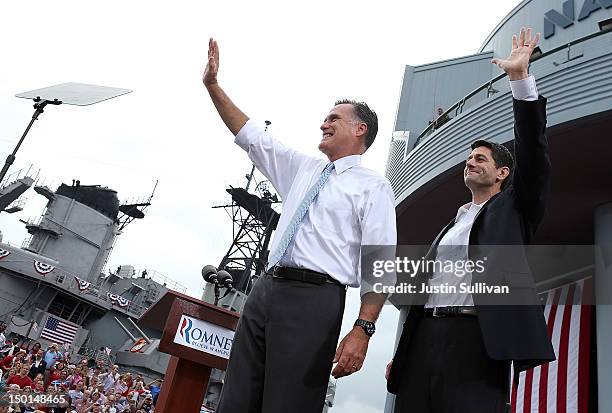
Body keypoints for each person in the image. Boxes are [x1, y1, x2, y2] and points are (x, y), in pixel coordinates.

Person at [203, 38, 396, 413]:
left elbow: (381, 265)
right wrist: (213, 86)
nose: (323, 124)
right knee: (236, 398)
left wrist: (363, 329)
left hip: (315, 300)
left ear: (359, 130)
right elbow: (248, 133)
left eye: (333, 119)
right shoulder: (301, 168)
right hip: (265, 289)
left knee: (288, 403)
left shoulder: (373, 187)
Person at [386, 28, 556, 412]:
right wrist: (407, 351)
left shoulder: (515, 209)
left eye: (482, 158)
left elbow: (533, 153)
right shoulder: (451, 226)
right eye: (469, 157)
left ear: (502, 174)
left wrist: (519, 80)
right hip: (425, 340)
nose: (471, 161)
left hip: (476, 342)